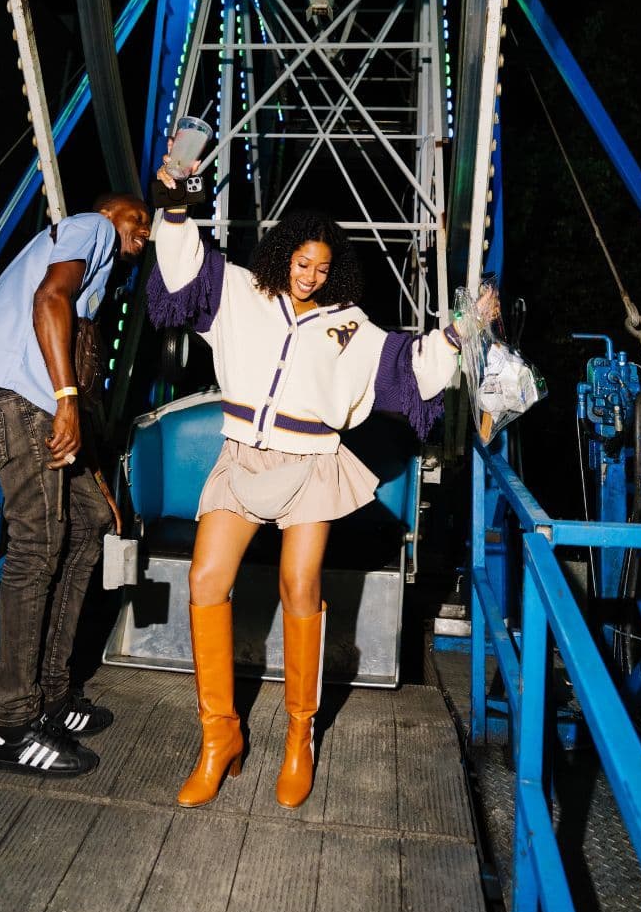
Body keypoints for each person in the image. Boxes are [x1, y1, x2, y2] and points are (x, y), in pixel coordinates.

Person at [146, 163, 465, 809]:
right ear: (283, 253)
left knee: (300, 585)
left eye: (321, 267)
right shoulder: (239, 291)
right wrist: (174, 207)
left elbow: (413, 368)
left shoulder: (348, 325)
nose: (309, 275)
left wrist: (463, 331)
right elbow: (181, 271)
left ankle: (299, 736)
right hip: (241, 461)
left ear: (333, 271)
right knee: (206, 579)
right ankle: (219, 738)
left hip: (309, 466)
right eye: (301, 261)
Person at [0, 191, 152, 776]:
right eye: (137, 222)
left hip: (40, 402)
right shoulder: (90, 228)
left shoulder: (99, 271)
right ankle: (13, 727)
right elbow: (50, 297)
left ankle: (54, 695)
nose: (143, 236)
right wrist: (66, 399)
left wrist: (95, 472)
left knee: (90, 520)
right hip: (24, 399)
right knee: (36, 548)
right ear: (110, 212)